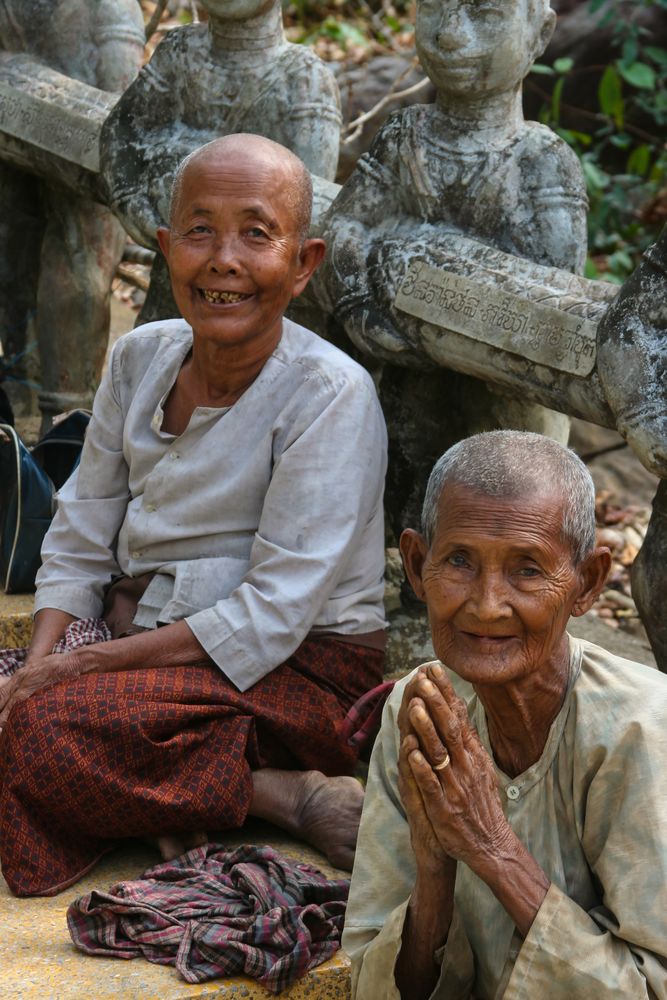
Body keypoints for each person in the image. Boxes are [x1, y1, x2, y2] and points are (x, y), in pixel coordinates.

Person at [0, 134, 387, 898]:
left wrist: (73, 672)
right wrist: (42, 663)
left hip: (299, 668)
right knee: (27, 708)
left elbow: (274, 614)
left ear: (303, 264)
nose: (224, 260)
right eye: (200, 230)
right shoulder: (141, 357)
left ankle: (283, 794)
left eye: (256, 232)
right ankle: (196, 786)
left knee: (43, 736)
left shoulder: (328, 395)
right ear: (166, 247)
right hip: (144, 640)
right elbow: (80, 534)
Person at [343, 430, 667, 998]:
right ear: (417, 566)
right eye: (460, 561)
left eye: (528, 569)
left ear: (587, 583)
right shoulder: (421, 710)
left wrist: (492, 848)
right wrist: (435, 872)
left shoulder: (644, 729)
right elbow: (372, 982)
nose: (487, 604)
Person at [318, 0, 585, 539]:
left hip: (500, 412)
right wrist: (363, 311)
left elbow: (549, 303)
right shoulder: (404, 136)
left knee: (487, 521)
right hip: (400, 379)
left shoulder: (540, 160)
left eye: (484, 16)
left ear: (540, 33)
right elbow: (342, 232)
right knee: (395, 497)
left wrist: (426, 270)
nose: (452, 36)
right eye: (436, 11)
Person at [100, 0, 341, 324]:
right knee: (158, 357)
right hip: (175, 277)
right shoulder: (179, 50)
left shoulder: (305, 77)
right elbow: (123, 135)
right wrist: (143, 214)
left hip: (255, 296)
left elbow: (305, 204)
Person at [0, 0, 145, 429]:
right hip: (15, 139)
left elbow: (119, 104)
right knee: (13, 257)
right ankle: (21, 406)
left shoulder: (107, 8)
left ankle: (67, 426)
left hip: (86, 156)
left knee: (78, 260)